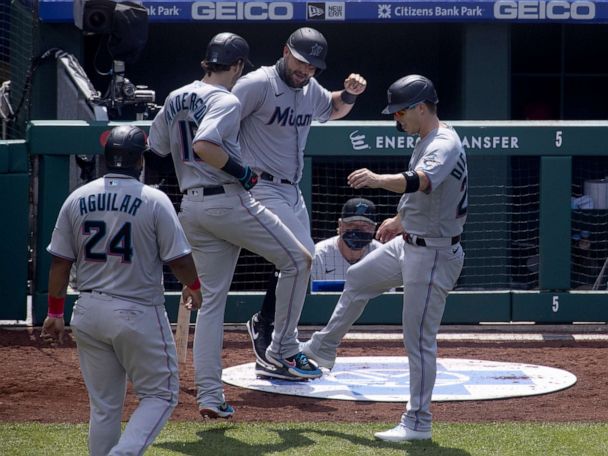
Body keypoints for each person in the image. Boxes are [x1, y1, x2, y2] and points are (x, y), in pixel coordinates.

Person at [148, 32, 322, 417]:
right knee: (298, 260)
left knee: (210, 305)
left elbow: (157, 146)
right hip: (227, 201)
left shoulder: (176, 95)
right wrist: (242, 171)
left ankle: (210, 397)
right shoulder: (225, 98)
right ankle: (281, 349)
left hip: (191, 206)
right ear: (239, 65)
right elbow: (204, 146)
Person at [301, 74, 467, 442]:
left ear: (422, 108)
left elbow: (420, 181)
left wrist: (376, 179)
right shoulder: (428, 137)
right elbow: (428, 195)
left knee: (419, 340)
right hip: (411, 241)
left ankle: (418, 422)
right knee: (359, 277)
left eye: (401, 112)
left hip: (434, 253)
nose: (397, 119)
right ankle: (323, 348)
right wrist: (399, 219)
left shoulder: (443, 142)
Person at [40, 125, 203, 456]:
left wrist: (55, 312)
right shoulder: (154, 200)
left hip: (87, 311)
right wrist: (195, 286)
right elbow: (180, 259)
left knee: (104, 407)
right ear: (140, 161)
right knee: (161, 394)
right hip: (137, 311)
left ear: (107, 158)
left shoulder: (78, 197)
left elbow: (60, 262)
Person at [234, 27, 367, 378]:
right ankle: (283, 348)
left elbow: (332, 108)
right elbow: (220, 123)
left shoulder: (310, 89)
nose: (305, 70)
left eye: (312, 66)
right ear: (285, 51)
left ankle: (266, 326)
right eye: (301, 61)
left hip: (291, 189)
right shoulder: (256, 84)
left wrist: (349, 95)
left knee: (294, 264)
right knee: (301, 259)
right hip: (259, 185)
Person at [312, 197, 381, 282]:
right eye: (351, 224)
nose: (358, 229)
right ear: (340, 225)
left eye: (364, 226)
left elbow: (389, 294)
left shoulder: (382, 255)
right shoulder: (319, 256)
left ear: (373, 228)